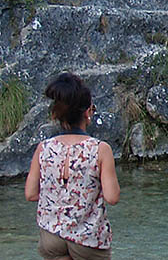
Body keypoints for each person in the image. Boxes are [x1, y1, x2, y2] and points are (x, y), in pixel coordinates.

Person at [25, 72, 120, 260]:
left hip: (51, 235)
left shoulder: (43, 148)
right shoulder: (100, 149)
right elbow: (112, 197)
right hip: (88, 238)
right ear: (87, 112)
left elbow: (30, 194)